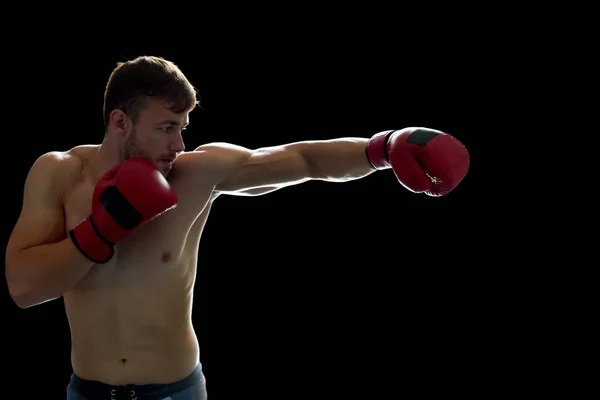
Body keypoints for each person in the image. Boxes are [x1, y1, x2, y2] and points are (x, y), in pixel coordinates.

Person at [4, 55, 470, 400]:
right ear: (120, 121)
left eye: (183, 126)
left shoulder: (196, 173)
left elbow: (303, 159)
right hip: (86, 391)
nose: (179, 143)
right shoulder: (59, 173)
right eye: (166, 127)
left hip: (177, 391)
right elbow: (24, 287)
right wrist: (98, 233)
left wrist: (384, 148)